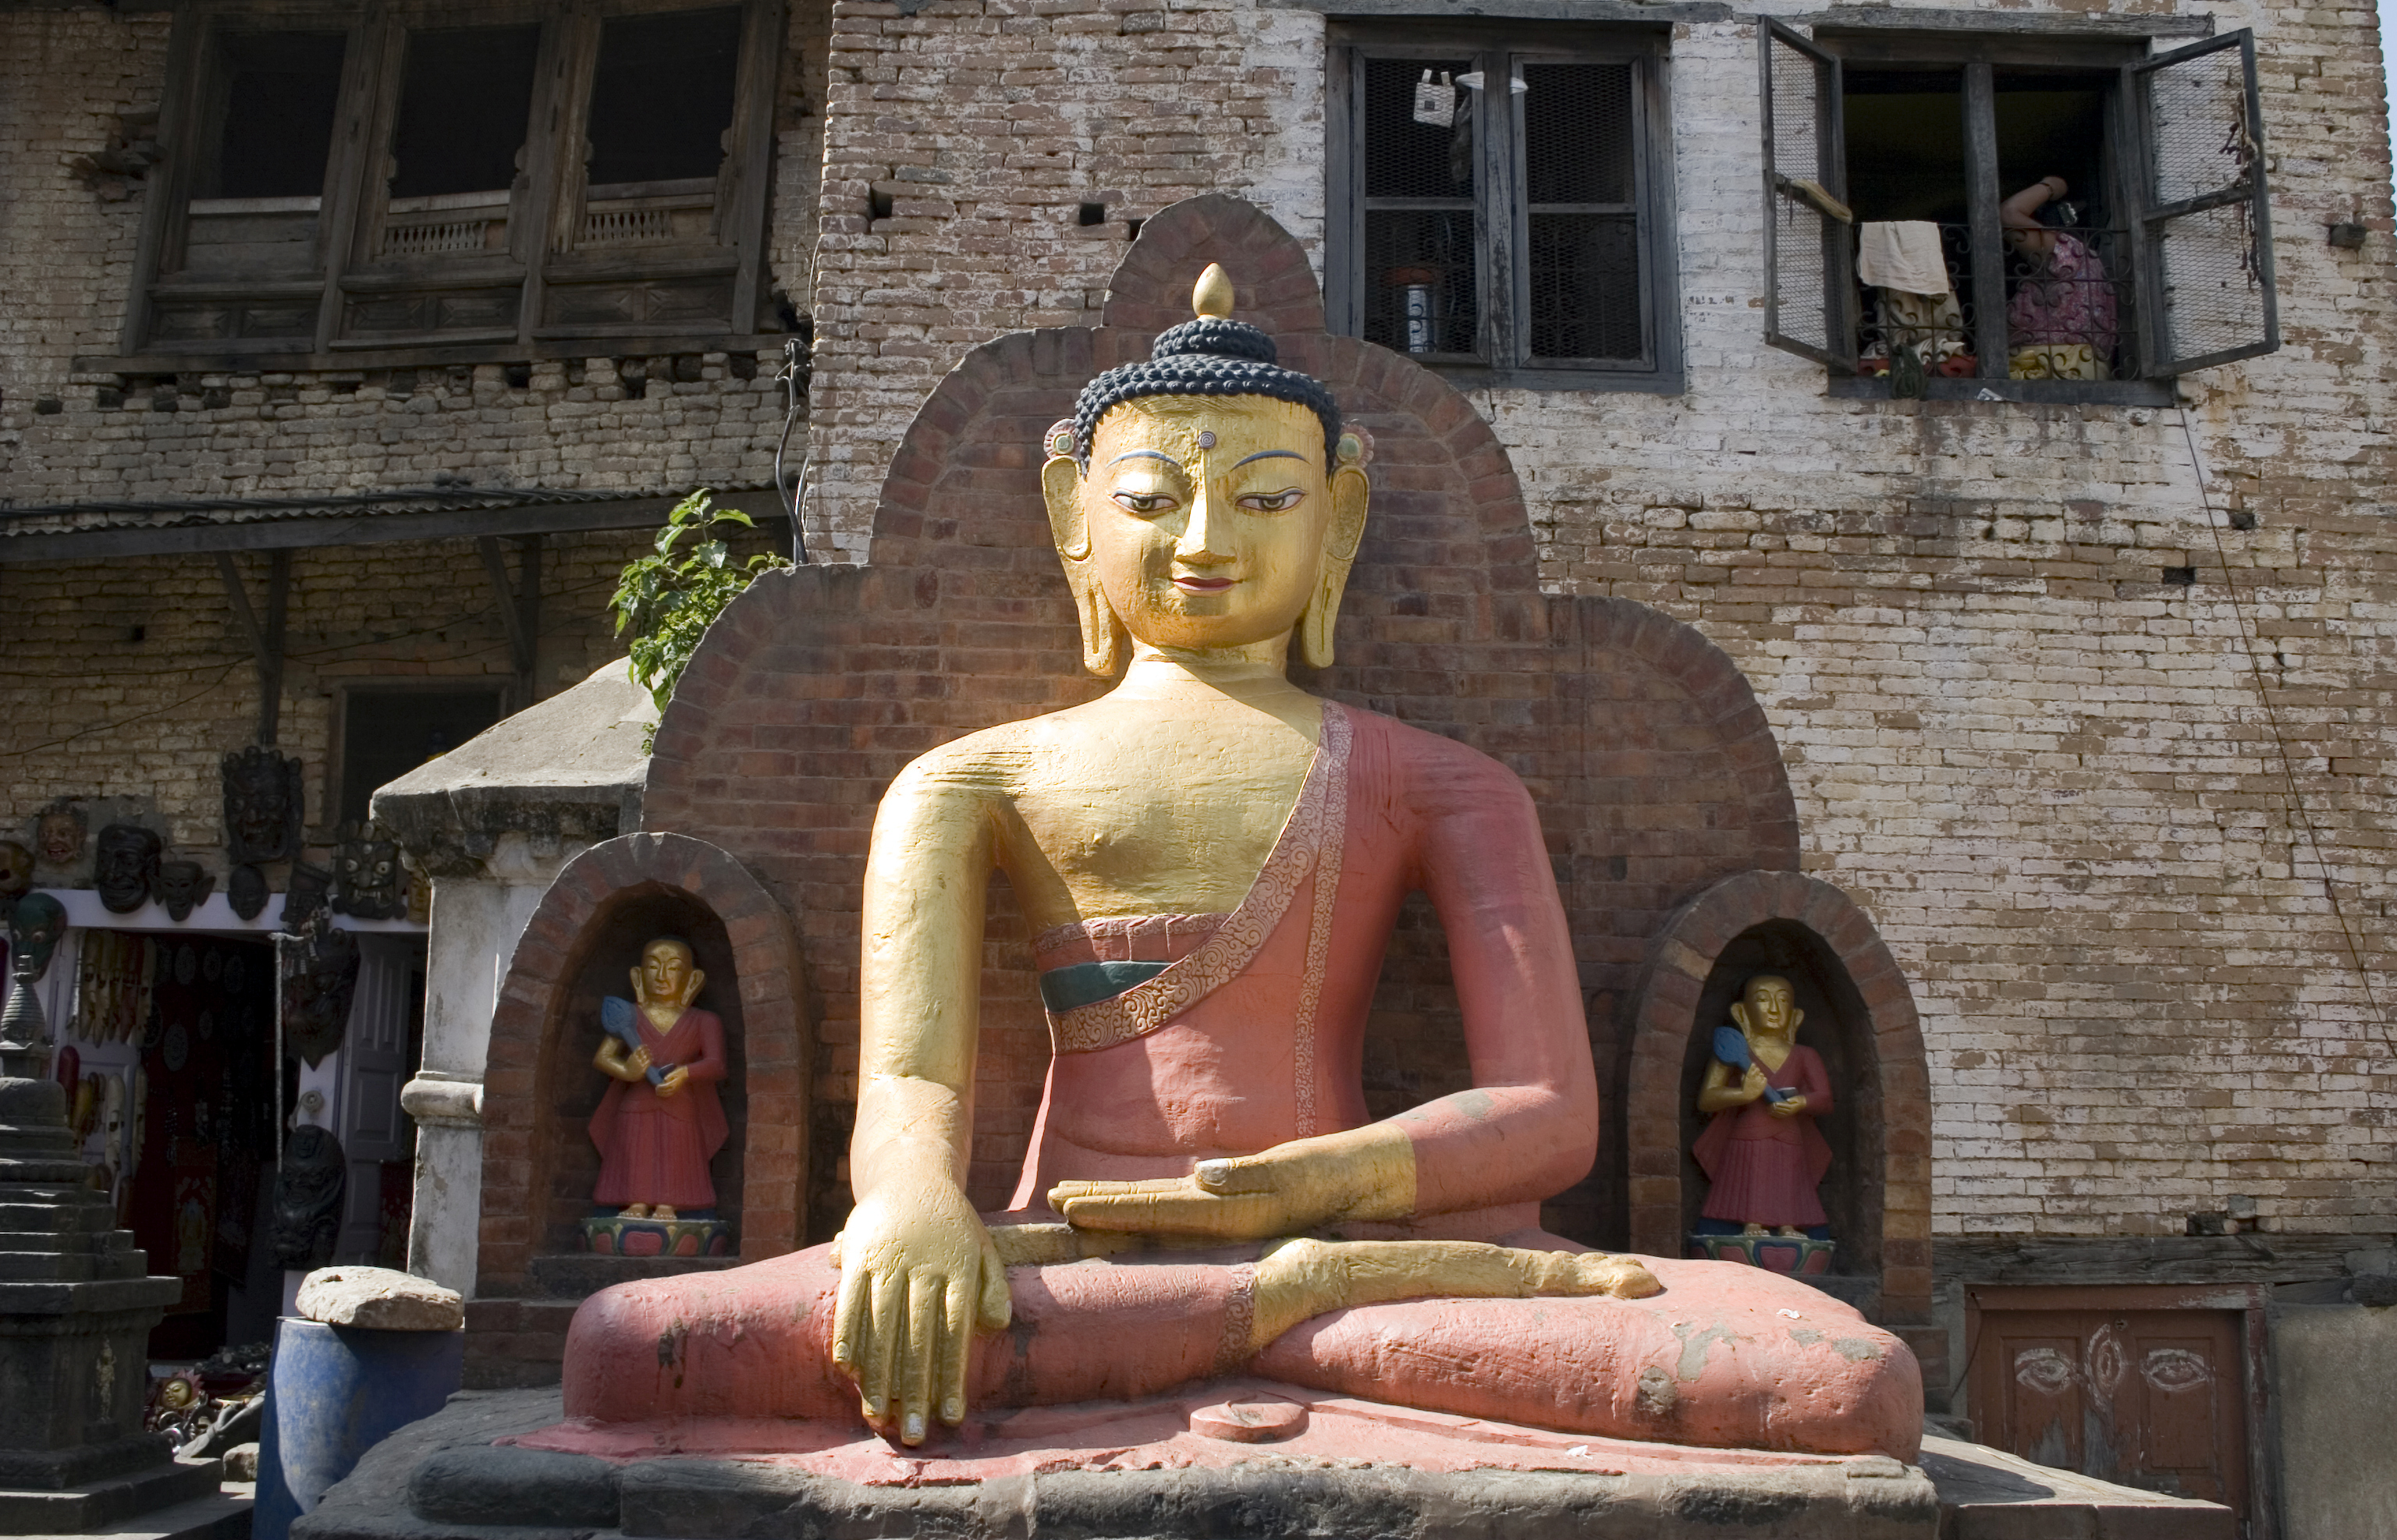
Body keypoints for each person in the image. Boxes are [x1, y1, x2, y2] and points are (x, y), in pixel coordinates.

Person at [558, 267, 1920, 1463]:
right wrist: (910, 1202)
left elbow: (1549, 1113)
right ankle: (1264, 1325)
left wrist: (1311, 1188)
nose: (1205, 541)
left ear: (1335, 521)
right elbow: (912, 1078)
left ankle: (1249, 1314)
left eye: (1263, 499)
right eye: (1152, 498)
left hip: (1369, 1255)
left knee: (1839, 1376)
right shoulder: (967, 780)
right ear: (1070, 516)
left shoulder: (1443, 781)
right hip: (1055, 1256)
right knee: (629, 1343)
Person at [589, 936, 729, 1220]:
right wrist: (628, 1071)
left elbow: (716, 1065)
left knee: (676, 1152)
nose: (663, 976)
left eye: (673, 968)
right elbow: (603, 1057)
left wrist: (684, 1073)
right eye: (654, 967)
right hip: (637, 1100)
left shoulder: (703, 1021)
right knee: (636, 1150)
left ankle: (670, 1205)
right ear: (638, 976)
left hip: (679, 1100)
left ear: (691, 979)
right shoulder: (629, 1016)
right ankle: (636, 1203)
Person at [1693, 974, 1834, 1237]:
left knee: (1787, 1179)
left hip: (1790, 1133)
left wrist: (1799, 1102)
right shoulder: (1733, 1051)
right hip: (1748, 1133)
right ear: (1742, 1012)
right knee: (1752, 1177)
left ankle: (1789, 1226)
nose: (1773, 1008)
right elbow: (1708, 1099)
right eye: (1762, 999)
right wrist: (1744, 1094)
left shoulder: (1805, 1055)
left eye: (1782, 1001)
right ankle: (1751, 1224)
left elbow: (1825, 1099)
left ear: (1794, 1015)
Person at [2001, 174, 2118, 379]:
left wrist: (2051, 186)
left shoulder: (2066, 251)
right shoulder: (2090, 262)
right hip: (2086, 374)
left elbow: (2009, 213)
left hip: (2051, 373)